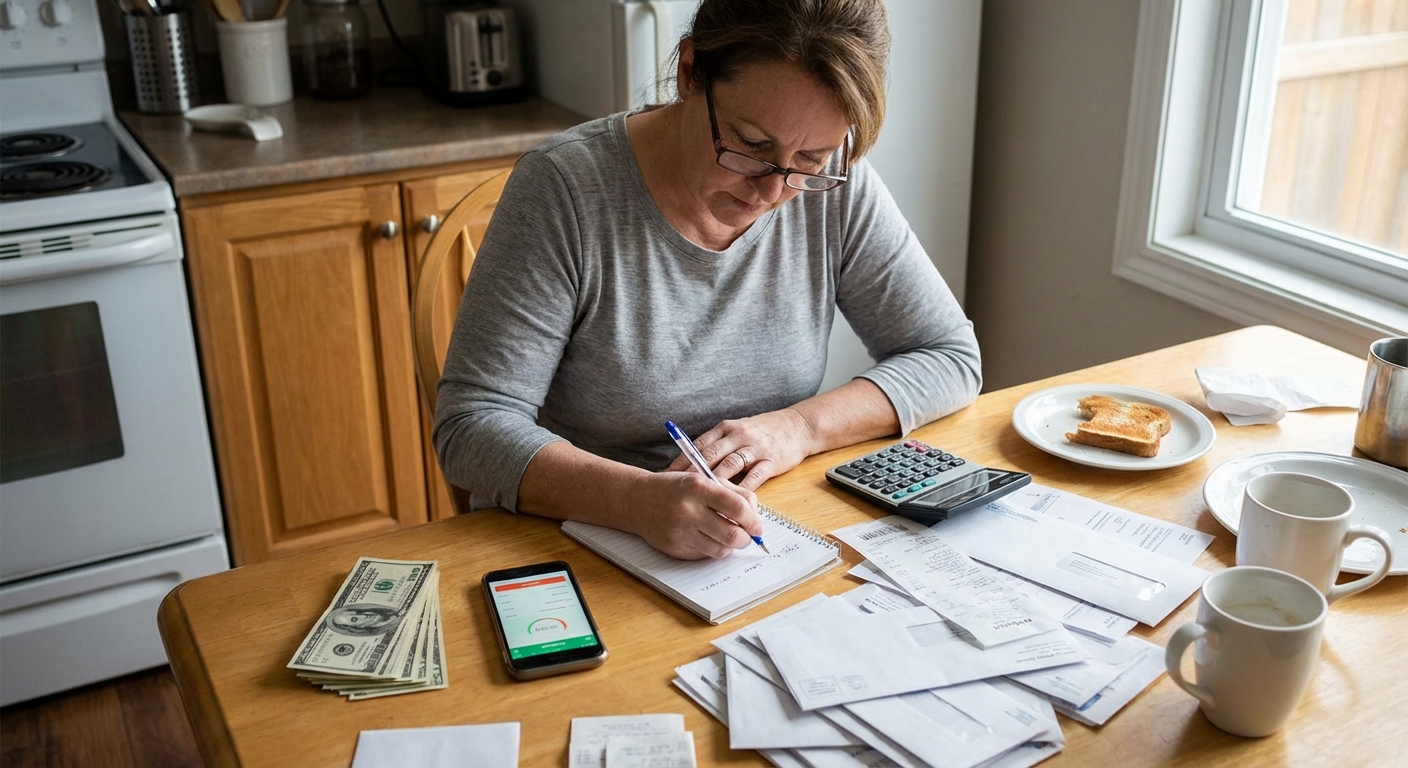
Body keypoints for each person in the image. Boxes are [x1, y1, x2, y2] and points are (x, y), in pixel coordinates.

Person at [434, 0, 981, 561]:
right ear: (691, 71)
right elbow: (471, 427)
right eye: (751, 145)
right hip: (581, 543)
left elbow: (948, 356)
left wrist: (797, 429)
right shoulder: (565, 191)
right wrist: (637, 500)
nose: (773, 193)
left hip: (759, 537)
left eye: (810, 159)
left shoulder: (837, 189)